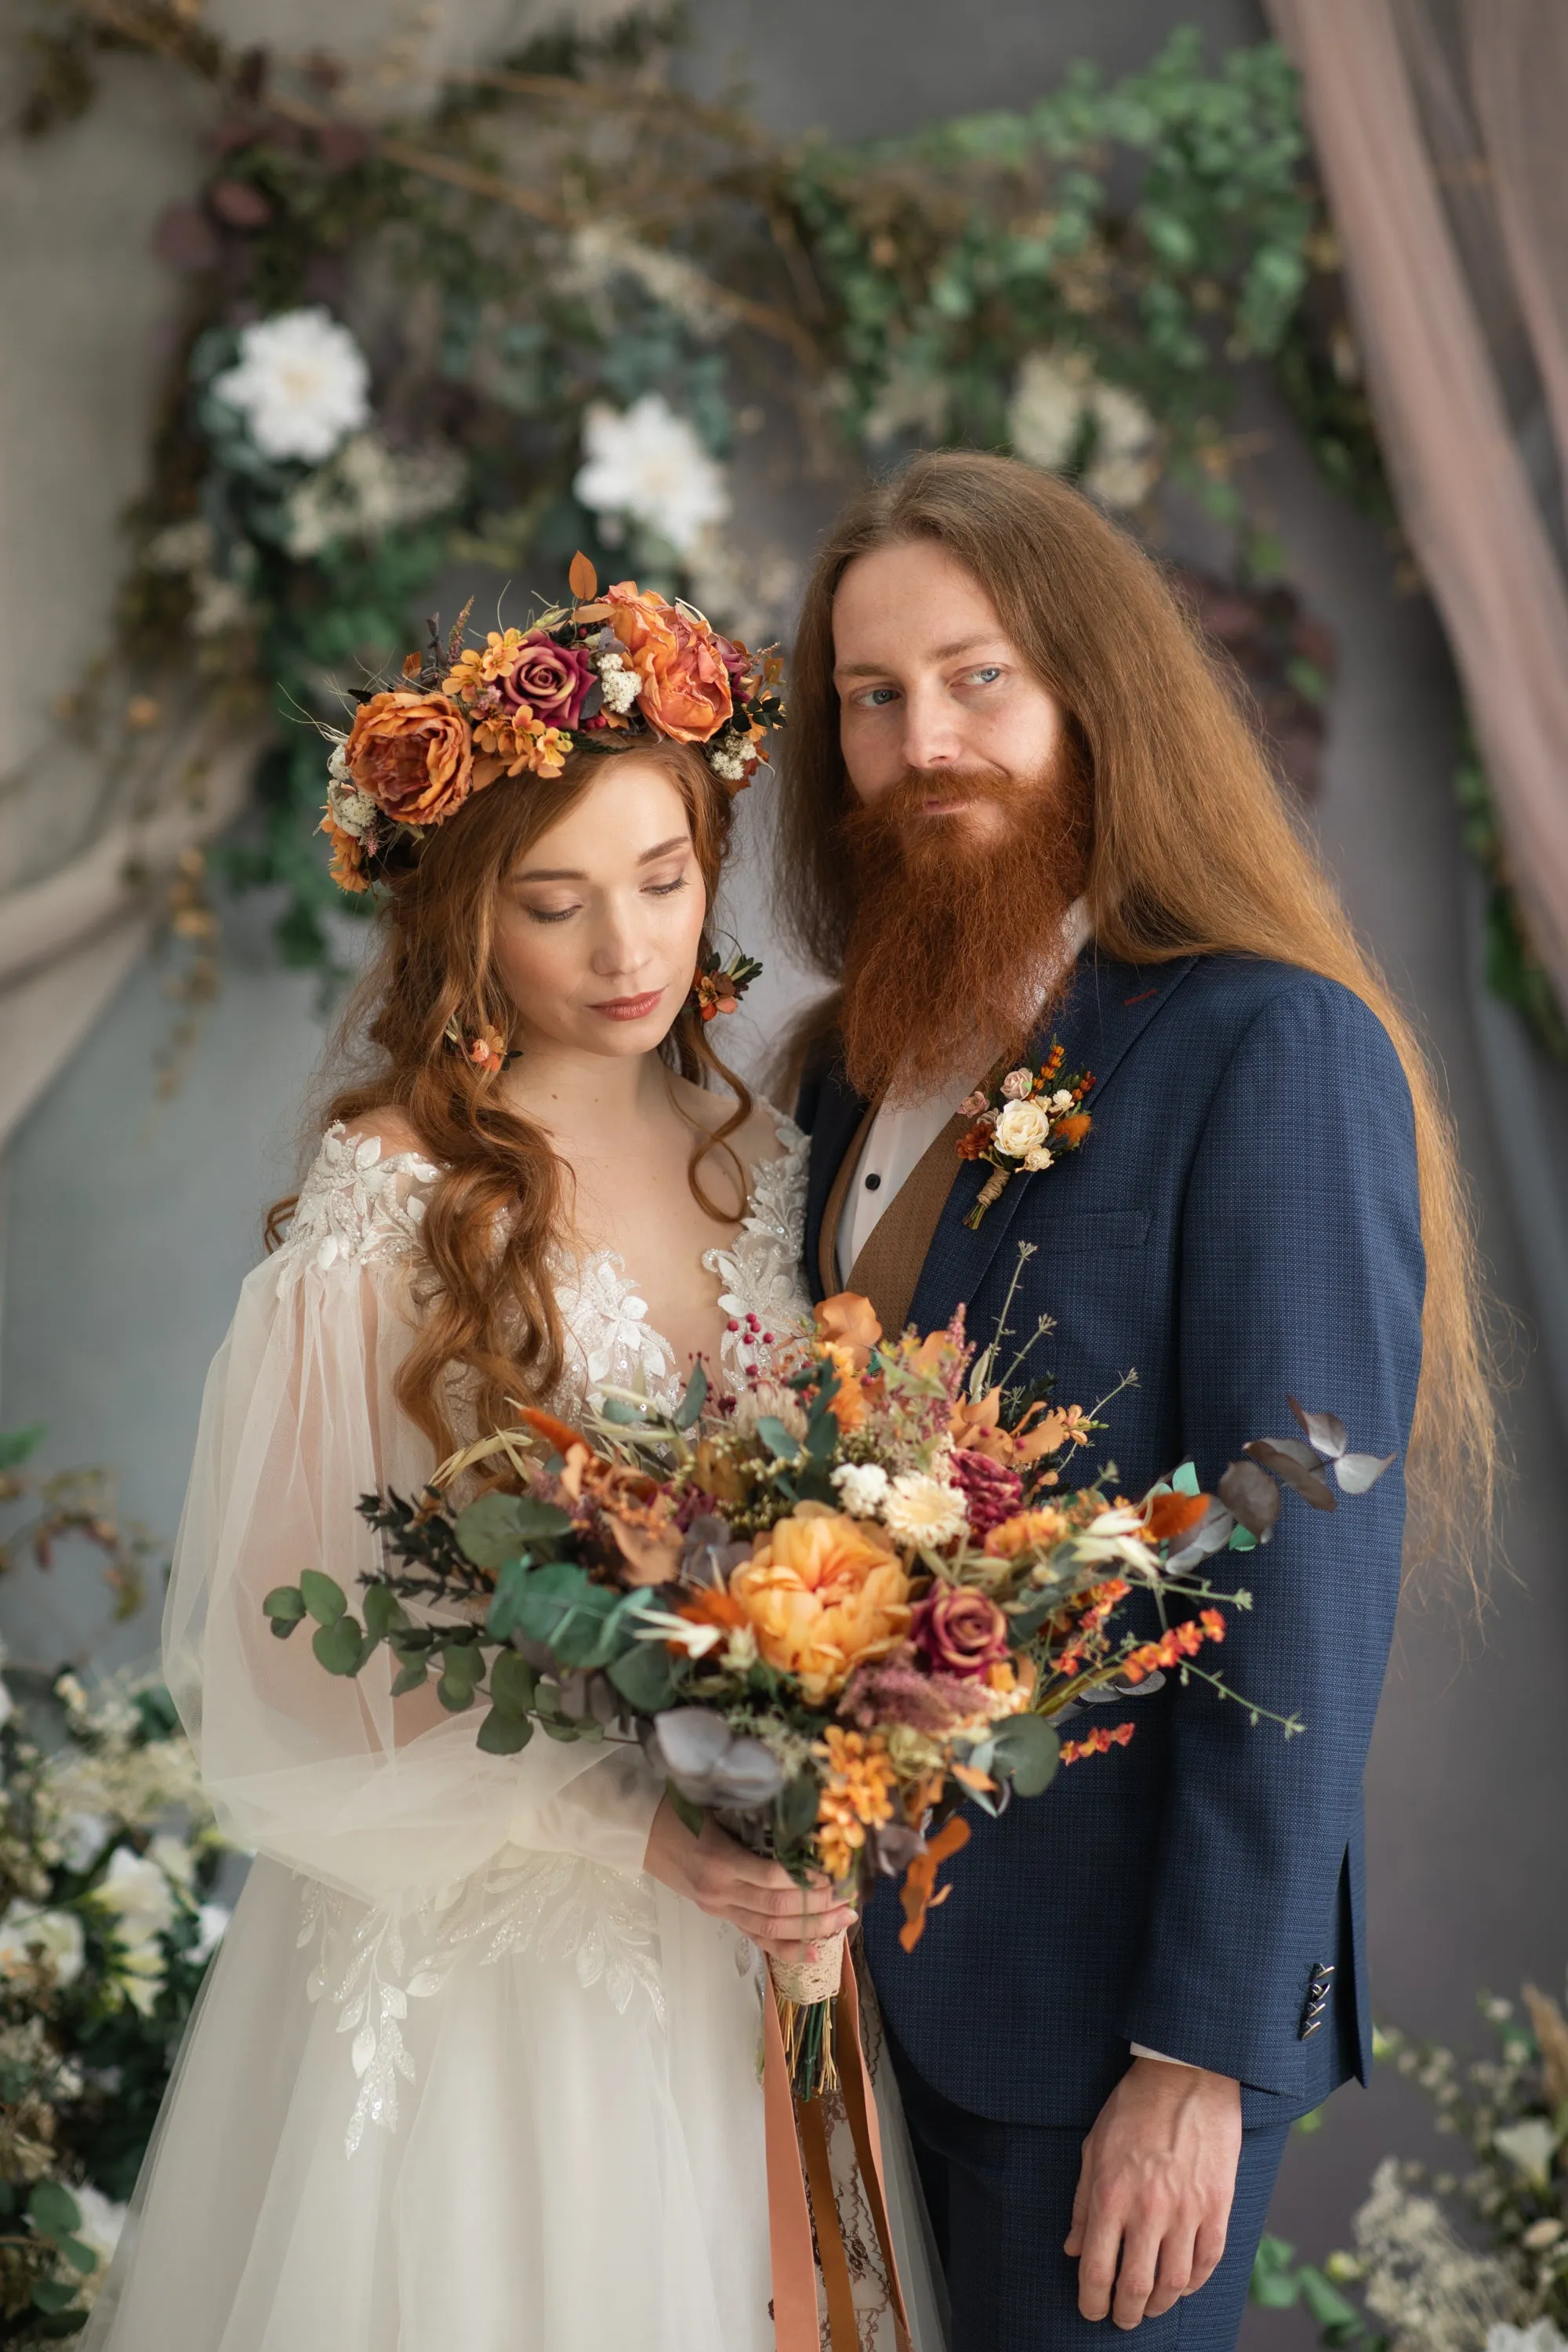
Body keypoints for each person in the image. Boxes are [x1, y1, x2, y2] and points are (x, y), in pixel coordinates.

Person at [84, 695, 942, 2349]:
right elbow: (288, 1660)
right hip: (504, 1953)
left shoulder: (770, 1158)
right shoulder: (391, 1199)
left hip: (749, 1949)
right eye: (553, 903)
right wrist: (619, 1825)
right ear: (459, 918)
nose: (626, 946)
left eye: (665, 877)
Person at [782, 452, 1494, 2351]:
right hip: (825, 1994)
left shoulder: (1265, 1044)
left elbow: (1305, 1565)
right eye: (871, 697)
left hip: (1105, 2033)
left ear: (1094, 694)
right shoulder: (835, 1081)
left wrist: (1196, 2056)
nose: (922, 738)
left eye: (975, 677)